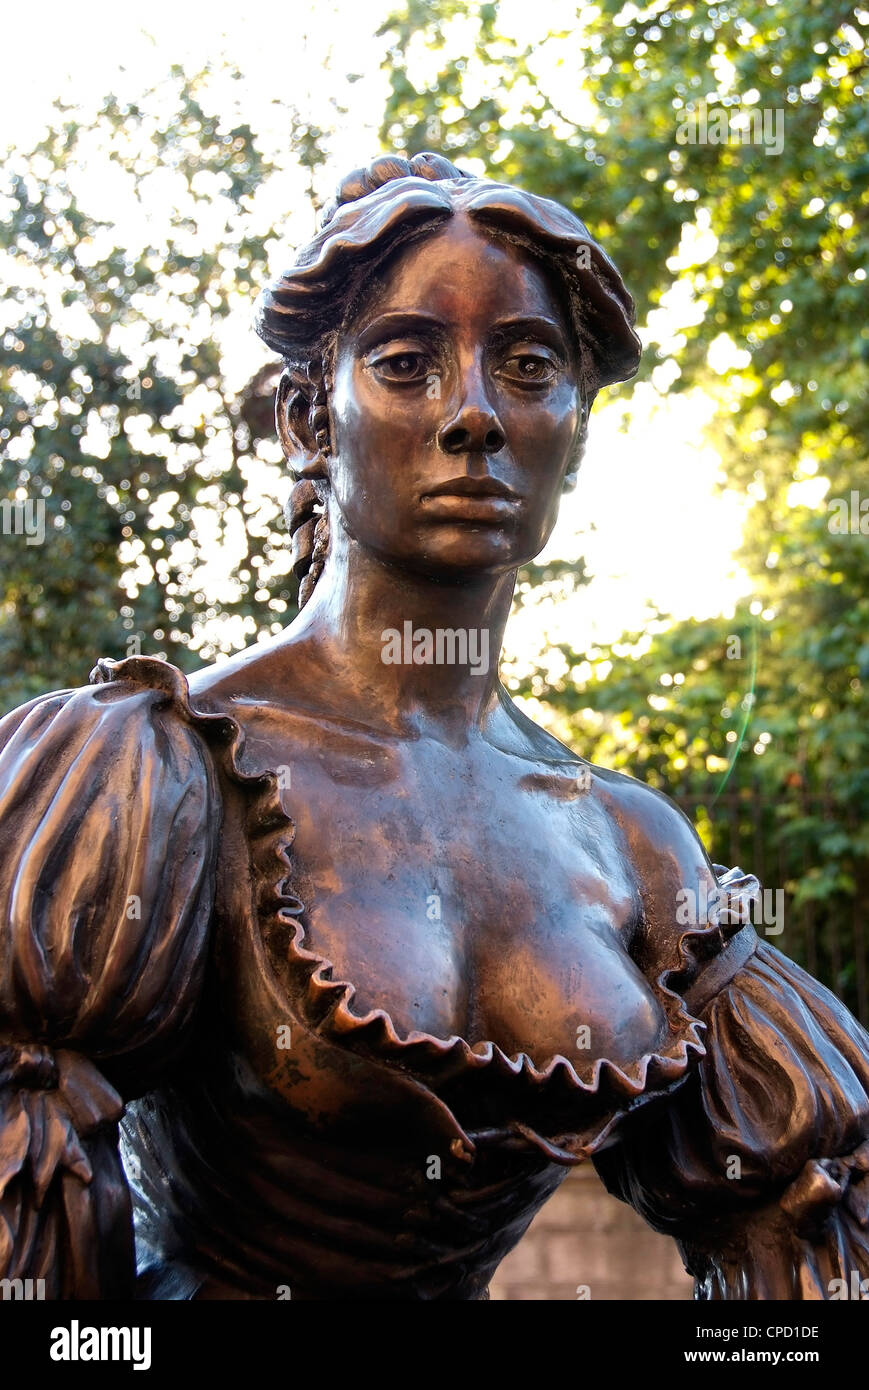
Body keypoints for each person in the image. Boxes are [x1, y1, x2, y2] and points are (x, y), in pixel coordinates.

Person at [0, 153, 866, 1301]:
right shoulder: (150, 771)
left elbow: (800, 1221)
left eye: (526, 366)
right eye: (407, 363)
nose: (472, 415)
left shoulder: (633, 845)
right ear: (307, 417)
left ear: (574, 427)